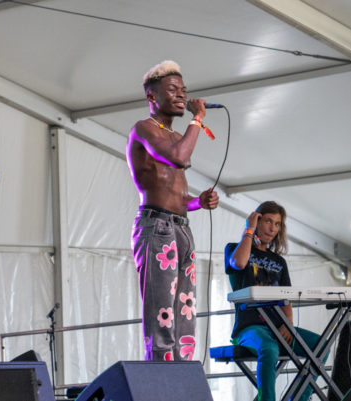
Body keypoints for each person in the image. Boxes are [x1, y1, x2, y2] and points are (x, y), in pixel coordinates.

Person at [127, 60, 219, 361]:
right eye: (172, 89)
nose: (181, 95)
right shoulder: (144, 129)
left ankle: (182, 376)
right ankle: (160, 380)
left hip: (181, 228)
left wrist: (198, 201)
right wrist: (198, 118)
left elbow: (176, 196)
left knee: (184, 314)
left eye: (183, 90)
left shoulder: (177, 137)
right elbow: (179, 158)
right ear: (152, 96)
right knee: (162, 315)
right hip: (157, 228)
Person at [226, 201, 325, 401]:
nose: (272, 228)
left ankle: (299, 397)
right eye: (268, 221)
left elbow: (285, 298)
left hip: (278, 328)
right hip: (249, 328)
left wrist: (288, 324)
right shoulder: (235, 249)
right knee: (269, 348)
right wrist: (249, 230)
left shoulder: (280, 261)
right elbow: (239, 263)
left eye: (277, 224)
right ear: (257, 221)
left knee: (321, 345)